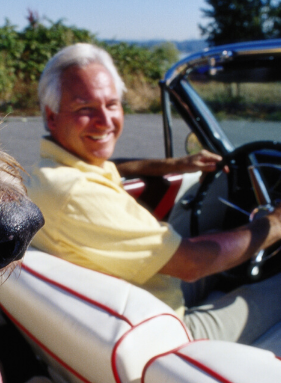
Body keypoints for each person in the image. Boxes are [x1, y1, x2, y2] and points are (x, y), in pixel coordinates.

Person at [27, 43, 281, 343]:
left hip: (134, 304)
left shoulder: (51, 172)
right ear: (52, 116)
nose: (106, 122)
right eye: (85, 108)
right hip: (169, 337)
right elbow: (192, 263)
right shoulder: (77, 194)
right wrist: (274, 222)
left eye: (111, 104)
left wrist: (176, 164)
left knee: (215, 232)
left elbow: (110, 167)